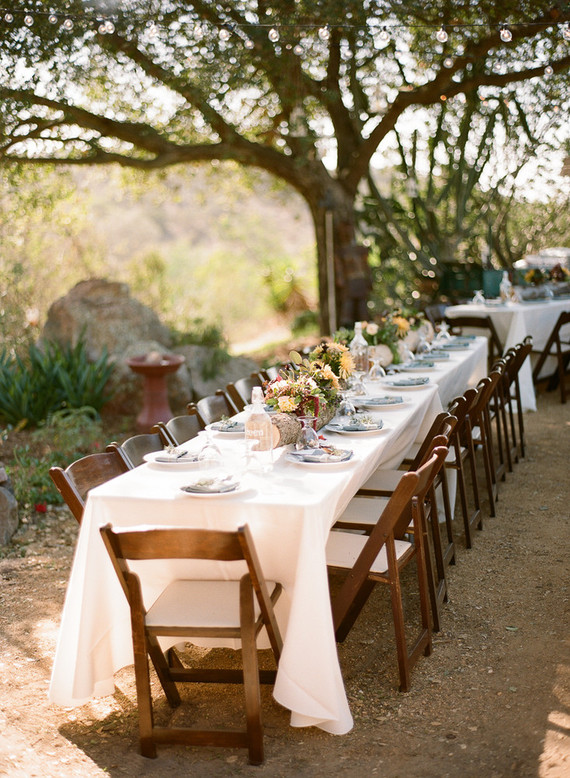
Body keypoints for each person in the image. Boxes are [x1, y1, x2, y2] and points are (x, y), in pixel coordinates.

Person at [336, 220, 373, 327]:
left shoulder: (360, 250)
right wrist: (341, 279)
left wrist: (369, 279)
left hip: (360, 280)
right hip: (349, 282)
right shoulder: (341, 251)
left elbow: (366, 266)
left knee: (362, 308)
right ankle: (345, 330)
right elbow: (339, 268)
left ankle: (366, 329)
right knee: (348, 307)